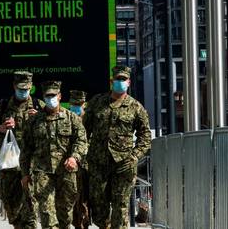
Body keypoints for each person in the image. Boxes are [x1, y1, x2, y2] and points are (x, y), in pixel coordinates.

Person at [83, 65, 151, 229]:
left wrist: (134, 156)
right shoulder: (97, 103)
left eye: (123, 79)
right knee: (99, 208)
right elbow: (83, 131)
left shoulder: (136, 107)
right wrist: (84, 154)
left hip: (123, 165)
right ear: (111, 81)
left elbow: (145, 136)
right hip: (98, 165)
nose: (120, 82)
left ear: (128, 82)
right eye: (117, 79)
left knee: (120, 208)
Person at [20, 81, 88, 229]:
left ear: (59, 96)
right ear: (43, 97)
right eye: (47, 95)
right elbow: (26, 149)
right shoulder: (34, 121)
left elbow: (82, 141)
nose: (50, 98)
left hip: (66, 173)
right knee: (47, 215)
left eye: (53, 95)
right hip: (42, 173)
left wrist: (74, 157)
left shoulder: (72, 119)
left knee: (65, 216)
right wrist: (25, 174)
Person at [0, 71, 44, 229]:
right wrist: (0, 128)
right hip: (10, 165)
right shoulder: (3, 106)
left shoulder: (39, 106)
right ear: (14, 86)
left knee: (30, 205)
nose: (23, 91)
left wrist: (39, 119)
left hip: (31, 165)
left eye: (26, 88)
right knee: (11, 205)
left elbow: (51, 133)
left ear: (31, 87)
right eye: (20, 88)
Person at [69, 90, 91, 229]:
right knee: (72, 201)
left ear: (84, 103)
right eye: (74, 104)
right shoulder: (66, 117)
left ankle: (84, 224)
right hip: (70, 166)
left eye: (79, 104)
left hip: (86, 167)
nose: (77, 106)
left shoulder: (90, 118)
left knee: (84, 202)